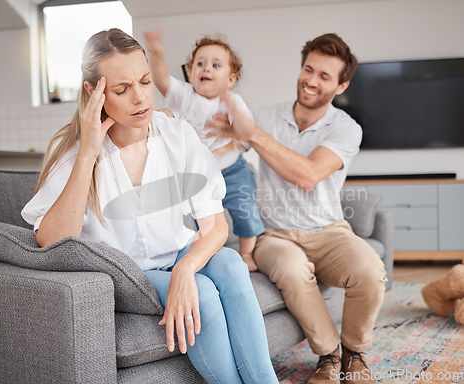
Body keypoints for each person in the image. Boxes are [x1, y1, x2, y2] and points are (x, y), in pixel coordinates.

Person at [21, 28, 278, 384]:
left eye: (145, 81)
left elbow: (216, 225)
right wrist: (89, 154)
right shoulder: (72, 154)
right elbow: (52, 240)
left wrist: (186, 268)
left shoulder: (177, 135)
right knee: (202, 294)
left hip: (176, 255)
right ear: (93, 91)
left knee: (232, 262)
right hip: (130, 273)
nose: (141, 98)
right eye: (123, 89)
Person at [207, 33, 387, 384]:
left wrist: (254, 135)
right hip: (274, 235)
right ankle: (328, 356)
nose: (311, 81)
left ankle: (354, 353)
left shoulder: (346, 128)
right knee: (291, 269)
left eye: (324, 76)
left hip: (330, 230)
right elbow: (226, 151)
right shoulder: (267, 115)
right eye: (308, 69)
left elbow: (308, 176)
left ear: (341, 85)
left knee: (370, 270)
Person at [143, 30, 264, 271]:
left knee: (245, 209)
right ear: (190, 71)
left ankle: (247, 253)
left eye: (215, 65)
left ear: (231, 79)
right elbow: (162, 80)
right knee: (201, 218)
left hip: (232, 169)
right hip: (201, 174)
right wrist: (156, 54)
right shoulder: (185, 96)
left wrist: (229, 103)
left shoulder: (232, 101)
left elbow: (246, 131)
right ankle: (208, 253)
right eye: (200, 63)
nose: (206, 69)